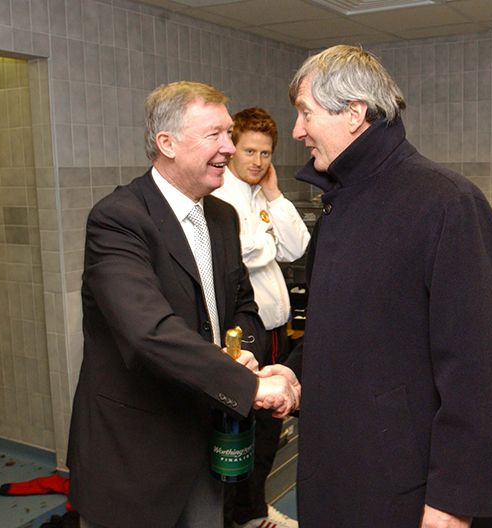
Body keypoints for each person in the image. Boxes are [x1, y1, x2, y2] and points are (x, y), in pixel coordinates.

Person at [281, 45, 492, 528]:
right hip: (337, 468)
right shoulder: (337, 202)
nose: (297, 131)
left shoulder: (447, 203)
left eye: (305, 113)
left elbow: (481, 369)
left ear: (353, 113)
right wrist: (291, 373)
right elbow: (343, 327)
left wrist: (455, 500)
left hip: (402, 484)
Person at [66, 81, 301, 528]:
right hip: (135, 456)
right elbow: (147, 331)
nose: (229, 149)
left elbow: (242, 304)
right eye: (215, 135)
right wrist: (248, 387)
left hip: (204, 439)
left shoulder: (221, 216)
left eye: (229, 135)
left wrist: (243, 350)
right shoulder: (119, 219)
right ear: (167, 143)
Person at [212, 107, 309, 528]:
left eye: (266, 153)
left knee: (271, 425)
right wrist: (262, 243)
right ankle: (237, 514)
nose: (258, 161)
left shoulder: (259, 193)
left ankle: (252, 508)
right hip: (244, 335)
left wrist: (274, 194)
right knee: (240, 428)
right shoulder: (219, 197)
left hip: (276, 331)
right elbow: (240, 255)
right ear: (232, 148)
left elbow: (296, 246)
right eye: (250, 151)